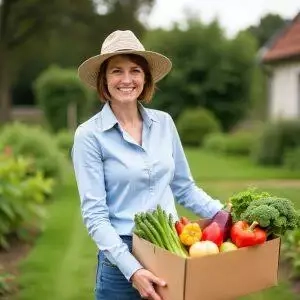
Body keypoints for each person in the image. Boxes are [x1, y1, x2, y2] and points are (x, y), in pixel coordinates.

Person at [72, 30, 225, 300]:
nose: (127, 80)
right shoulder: (89, 135)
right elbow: (95, 216)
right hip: (121, 259)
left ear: (146, 77)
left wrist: (226, 216)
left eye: (135, 70)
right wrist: (133, 271)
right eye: (116, 71)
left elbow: (184, 188)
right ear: (103, 80)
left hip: (171, 246)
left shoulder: (164, 123)